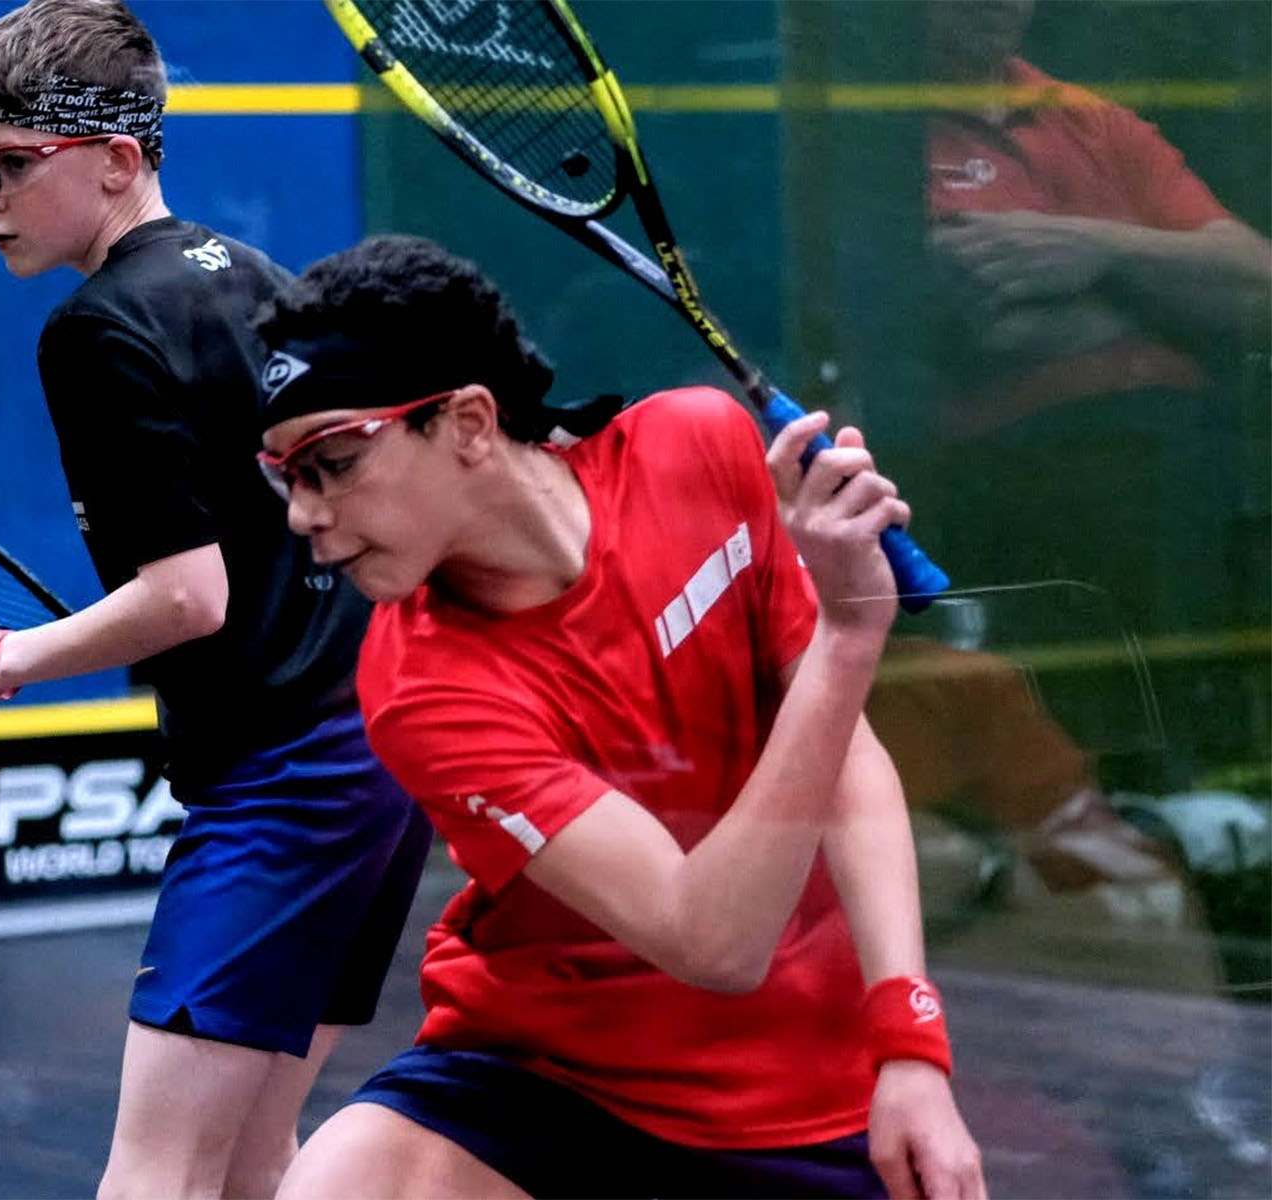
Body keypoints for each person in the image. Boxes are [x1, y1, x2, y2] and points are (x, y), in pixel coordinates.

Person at [255, 234, 984, 1200]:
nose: (303, 514)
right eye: (284, 477)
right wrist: (849, 641)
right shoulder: (419, 683)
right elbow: (710, 943)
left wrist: (910, 1040)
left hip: (808, 1094)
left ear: (469, 420)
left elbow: (846, 753)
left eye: (332, 463)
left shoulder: (699, 444)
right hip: (546, 1084)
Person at [0, 3, 432, 1196]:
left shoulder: (93, 331)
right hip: (375, 747)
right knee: (252, 1159)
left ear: (115, 159)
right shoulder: (242, 270)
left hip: (286, 782)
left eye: (9, 168)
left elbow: (185, 597)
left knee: (150, 1178)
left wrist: (3, 660)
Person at [919, 0, 1272, 637]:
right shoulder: (874, 130)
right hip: (1021, 477)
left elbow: (1258, 285)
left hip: (1189, 464)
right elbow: (994, 330)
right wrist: (1170, 300)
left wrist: (1092, 248)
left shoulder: (1091, 119)